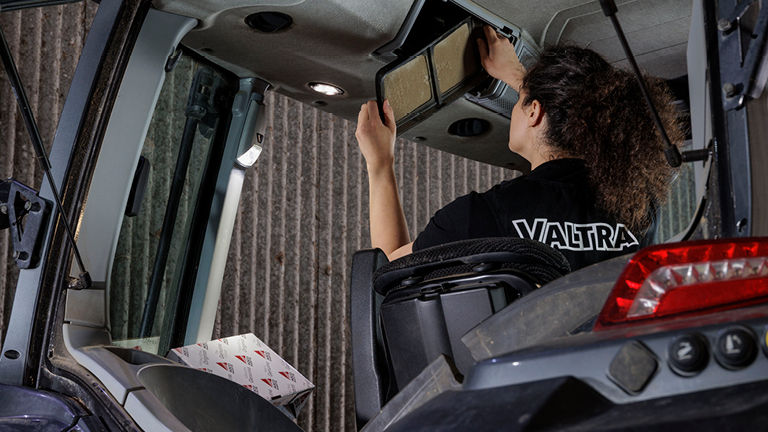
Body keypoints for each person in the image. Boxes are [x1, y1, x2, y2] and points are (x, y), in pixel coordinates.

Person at [355, 26, 682, 270]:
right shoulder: (639, 211)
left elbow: (389, 270)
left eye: (522, 102)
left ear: (535, 112)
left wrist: (380, 162)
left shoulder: (479, 216)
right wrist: (523, 82)